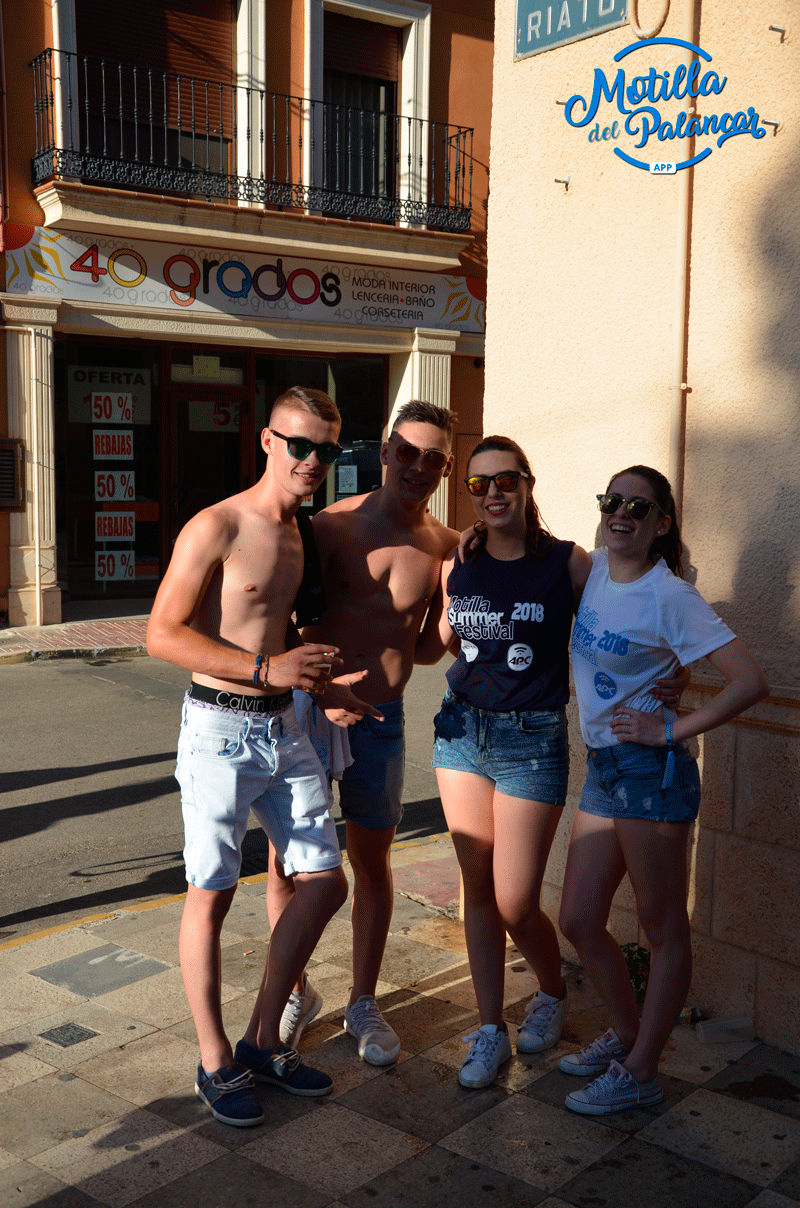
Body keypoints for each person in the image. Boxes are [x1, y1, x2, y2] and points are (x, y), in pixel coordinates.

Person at [146, 386, 353, 1127]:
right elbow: (162, 633)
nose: (312, 460)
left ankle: (264, 1039)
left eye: (325, 449)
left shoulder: (301, 532)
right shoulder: (218, 524)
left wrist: (321, 684)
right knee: (213, 892)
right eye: (299, 445)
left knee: (324, 883)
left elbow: (275, 630)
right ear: (268, 441)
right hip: (219, 729)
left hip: (285, 726)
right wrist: (269, 669)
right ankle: (214, 1060)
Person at [558, 465, 768, 1116]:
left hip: (652, 772)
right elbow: (524, 548)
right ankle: (628, 1036)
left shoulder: (669, 595)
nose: (621, 513)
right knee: (579, 918)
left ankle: (642, 1071)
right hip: (605, 767)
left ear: (661, 524)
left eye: (638, 507)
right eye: (612, 501)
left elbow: (749, 681)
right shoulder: (593, 569)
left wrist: (671, 726)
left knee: (662, 928)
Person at [267, 400, 460, 1066]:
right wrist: (322, 689)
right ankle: (293, 992)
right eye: (406, 451)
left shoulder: (444, 546)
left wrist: (454, 615)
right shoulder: (330, 526)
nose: (416, 466)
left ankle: (362, 1001)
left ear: (446, 468)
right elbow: (283, 619)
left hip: (380, 721)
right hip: (308, 715)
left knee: (372, 863)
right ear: (383, 452)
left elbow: (426, 649)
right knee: (287, 865)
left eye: (433, 458)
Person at [414, 435, 594, 1088]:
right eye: (479, 484)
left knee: (516, 900)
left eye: (505, 480)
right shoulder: (457, 561)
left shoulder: (568, 563)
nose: (493, 493)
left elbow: (617, 625)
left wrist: (669, 675)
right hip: (461, 731)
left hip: (532, 738)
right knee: (478, 888)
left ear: (527, 484)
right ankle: (489, 1028)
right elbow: (439, 644)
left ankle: (551, 990)